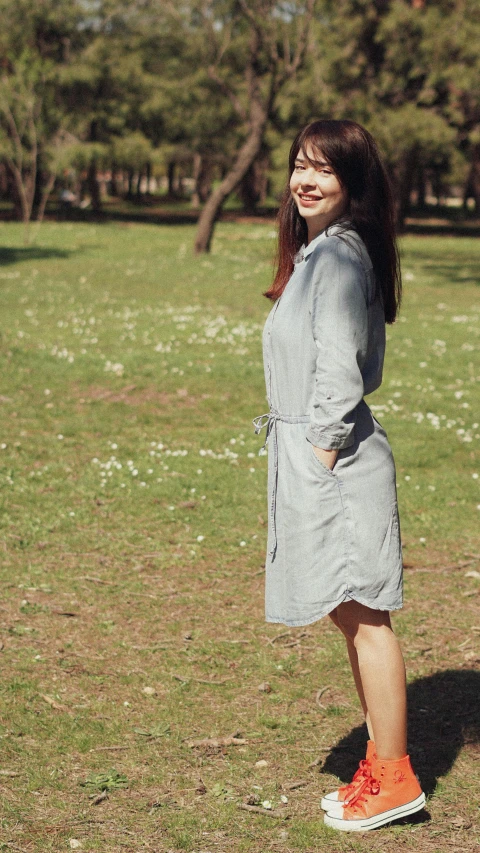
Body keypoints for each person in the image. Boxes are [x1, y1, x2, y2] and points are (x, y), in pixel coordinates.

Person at [253, 119, 425, 832]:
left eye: (323, 168)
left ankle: (395, 776)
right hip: (312, 455)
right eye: (299, 164)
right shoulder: (323, 254)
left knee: (365, 616)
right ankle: (380, 761)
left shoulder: (340, 258)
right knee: (347, 613)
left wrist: (317, 458)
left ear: (351, 182)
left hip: (334, 462)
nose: (306, 178)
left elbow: (344, 373)